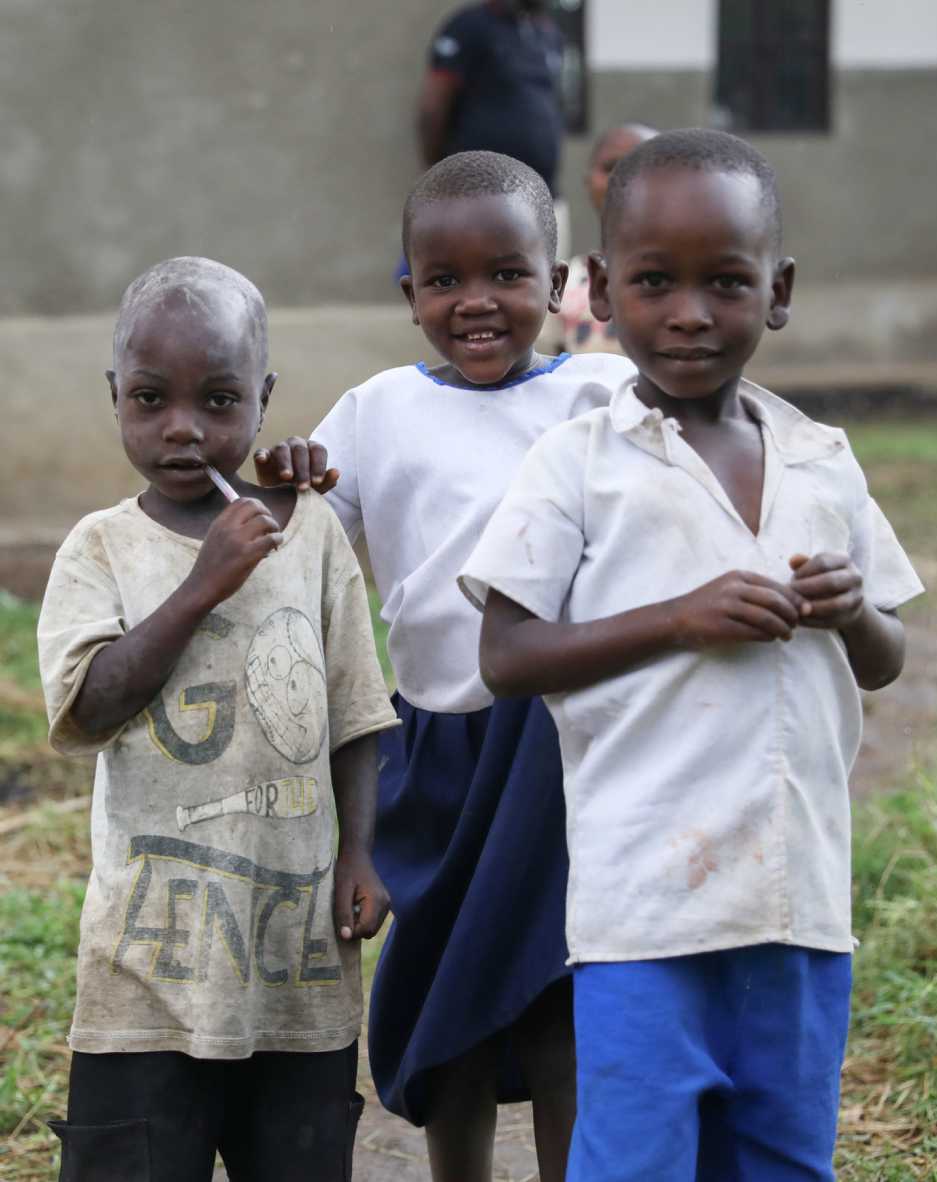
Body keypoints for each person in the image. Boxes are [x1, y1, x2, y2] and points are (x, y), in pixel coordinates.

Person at [460, 129, 924, 1181]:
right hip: (646, 909)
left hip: (797, 904)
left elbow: (887, 658)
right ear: (601, 289)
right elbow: (507, 654)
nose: (690, 315)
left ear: (780, 288)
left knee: (783, 1159)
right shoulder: (577, 463)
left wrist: (853, 613)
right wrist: (677, 618)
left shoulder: (820, 457)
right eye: (656, 283)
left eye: (726, 283)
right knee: (638, 1160)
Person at [254, 152, 636, 1182]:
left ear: (560, 284)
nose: (479, 303)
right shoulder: (378, 411)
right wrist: (284, 481)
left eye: (509, 274)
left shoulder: (601, 391)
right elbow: (300, 534)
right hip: (432, 743)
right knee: (443, 999)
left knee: (560, 997)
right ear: (408, 291)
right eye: (445, 280)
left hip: (561, 747)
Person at [37, 257, 399, 1182]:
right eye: (151, 399)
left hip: (296, 962)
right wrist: (202, 588)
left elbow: (358, 711)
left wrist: (359, 851)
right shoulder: (101, 548)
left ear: (266, 400)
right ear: (116, 393)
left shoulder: (309, 533)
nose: (184, 429)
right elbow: (88, 706)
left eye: (221, 400)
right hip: (145, 974)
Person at [396, 0, 568, 280]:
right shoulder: (470, 26)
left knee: (542, 295)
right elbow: (433, 110)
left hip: (544, 195)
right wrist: (440, 183)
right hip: (480, 200)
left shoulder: (548, 33)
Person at [553, 122, 658, 355]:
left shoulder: (688, 281)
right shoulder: (563, 283)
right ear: (588, 180)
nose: (623, 177)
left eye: (642, 167)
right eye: (611, 167)